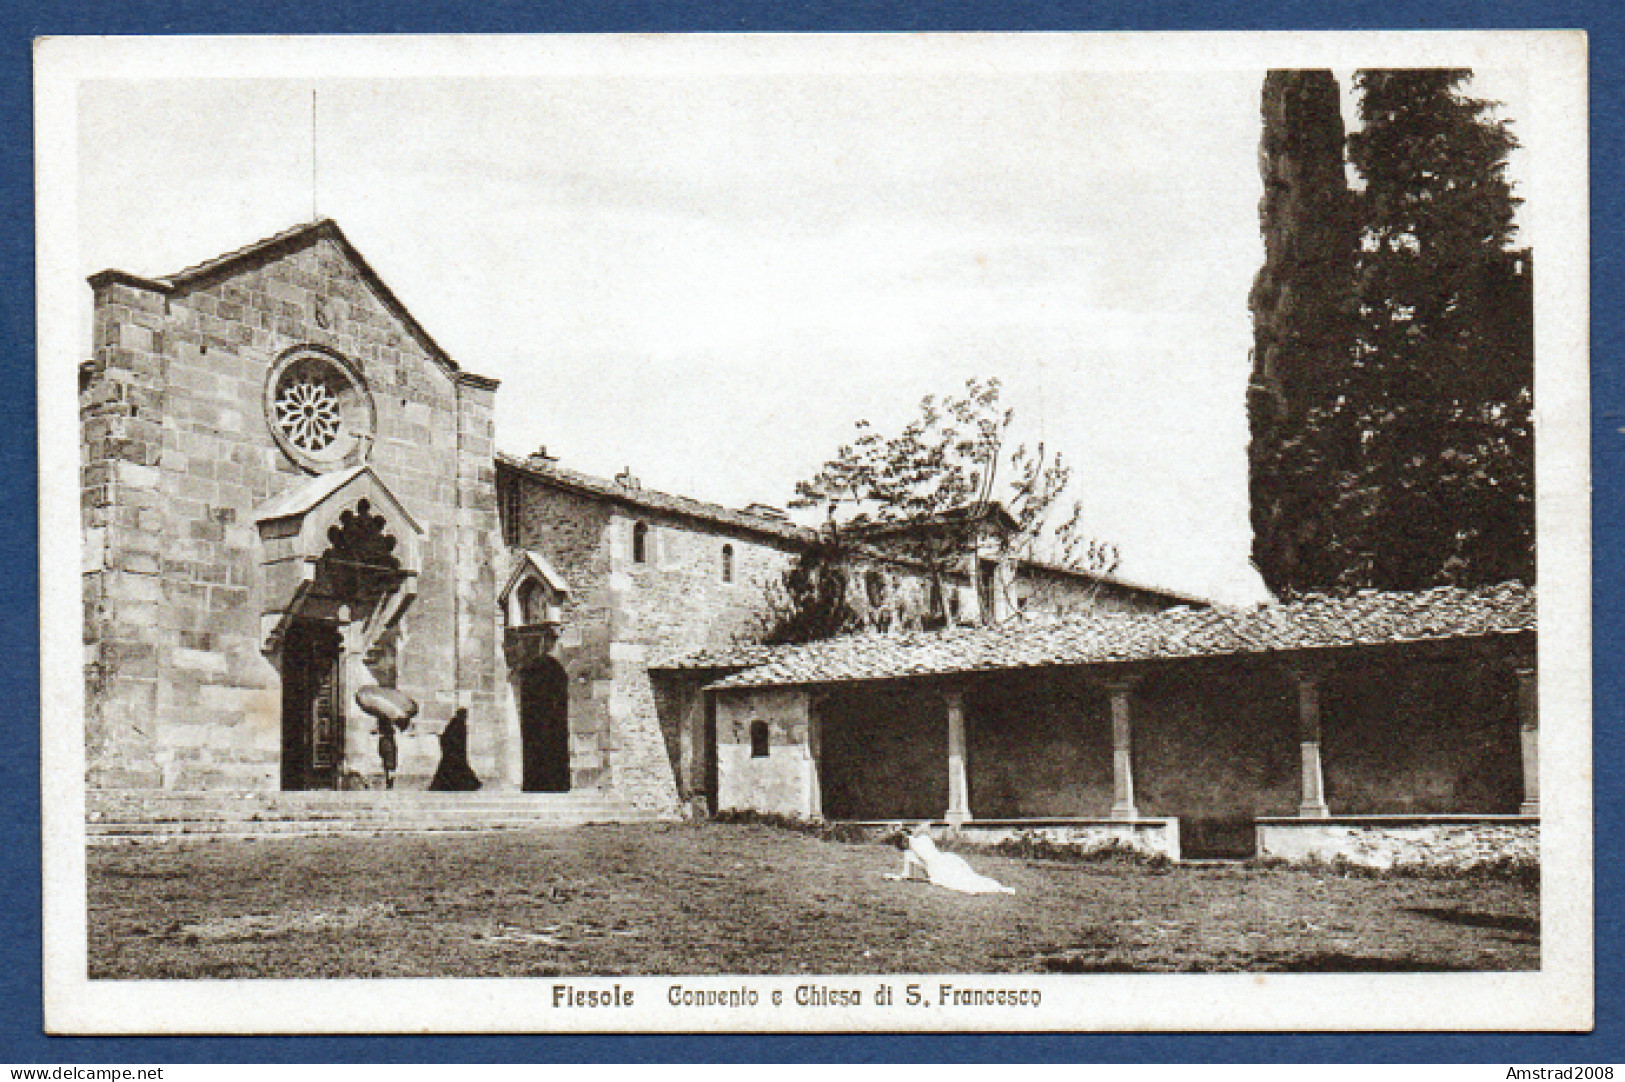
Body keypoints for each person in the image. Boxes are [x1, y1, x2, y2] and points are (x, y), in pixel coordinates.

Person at [884, 823, 1014, 895]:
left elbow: (906, 874)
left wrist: (895, 877)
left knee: (962, 879)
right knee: (969, 877)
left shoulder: (911, 850)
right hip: (946, 859)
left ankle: (998, 888)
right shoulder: (921, 838)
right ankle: (1000, 888)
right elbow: (925, 826)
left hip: (938, 865)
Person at [429, 707, 482, 792]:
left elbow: (448, 737)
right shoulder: (457, 723)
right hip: (455, 752)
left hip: (454, 752)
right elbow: (450, 737)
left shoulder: (456, 723)